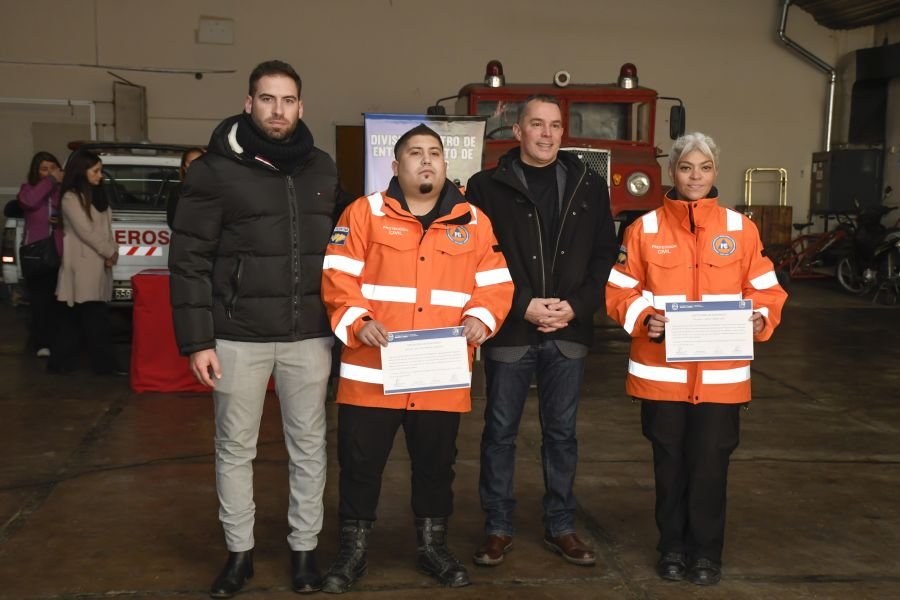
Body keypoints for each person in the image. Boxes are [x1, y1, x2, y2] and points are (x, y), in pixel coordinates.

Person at [168, 60, 340, 598]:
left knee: (309, 448)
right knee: (234, 449)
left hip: (308, 335)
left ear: (301, 107)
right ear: (249, 104)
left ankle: (304, 552)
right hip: (237, 337)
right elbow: (189, 260)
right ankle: (239, 554)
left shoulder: (322, 168)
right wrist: (198, 341)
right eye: (267, 99)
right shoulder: (214, 171)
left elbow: (340, 253)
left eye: (287, 100)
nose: (277, 110)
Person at [319, 124, 513, 593]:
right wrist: (359, 320)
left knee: (435, 465)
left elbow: (496, 283)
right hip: (372, 370)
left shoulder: (474, 221)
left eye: (434, 154)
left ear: (446, 165)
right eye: (414, 154)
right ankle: (353, 551)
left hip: (438, 375)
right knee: (360, 464)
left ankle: (432, 548)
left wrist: (480, 319)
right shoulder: (362, 213)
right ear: (396, 165)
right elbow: (337, 277)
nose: (425, 161)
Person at [605, 132, 787, 585]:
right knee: (669, 466)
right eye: (687, 167)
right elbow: (617, 289)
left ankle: (705, 554)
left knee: (710, 466)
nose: (695, 176)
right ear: (673, 172)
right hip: (661, 375)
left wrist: (759, 319)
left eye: (704, 167)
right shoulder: (642, 230)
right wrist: (646, 316)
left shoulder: (740, 229)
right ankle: (671, 549)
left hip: (721, 379)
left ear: (716, 173)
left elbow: (766, 291)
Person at [465, 95, 617, 567]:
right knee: (500, 432)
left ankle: (561, 526)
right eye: (537, 124)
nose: (547, 133)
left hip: (568, 329)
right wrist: (521, 306)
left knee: (562, 434)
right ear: (518, 132)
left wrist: (574, 307)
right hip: (511, 330)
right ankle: (497, 527)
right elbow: (476, 258)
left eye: (554, 125)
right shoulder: (485, 187)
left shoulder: (588, 184)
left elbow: (604, 256)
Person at [49, 149, 120, 375]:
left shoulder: (98, 195)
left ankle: (60, 363)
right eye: (96, 171)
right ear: (82, 171)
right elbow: (86, 231)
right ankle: (104, 366)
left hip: (98, 265)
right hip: (82, 267)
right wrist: (110, 251)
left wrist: (112, 252)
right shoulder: (70, 197)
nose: (100, 176)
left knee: (74, 318)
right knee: (94, 319)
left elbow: (106, 229)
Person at [18, 151, 64, 357]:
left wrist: (60, 219)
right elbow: (29, 202)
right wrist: (51, 181)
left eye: (52, 168)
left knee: (58, 300)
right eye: (44, 169)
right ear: (36, 172)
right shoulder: (28, 190)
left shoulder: (62, 192)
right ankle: (41, 343)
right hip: (36, 253)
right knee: (39, 301)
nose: (49, 173)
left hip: (59, 252)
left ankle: (57, 340)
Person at [165, 146, 205, 228]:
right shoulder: (178, 192)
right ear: (184, 168)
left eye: (199, 162)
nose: (195, 166)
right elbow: (174, 223)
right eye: (191, 163)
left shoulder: (217, 190)